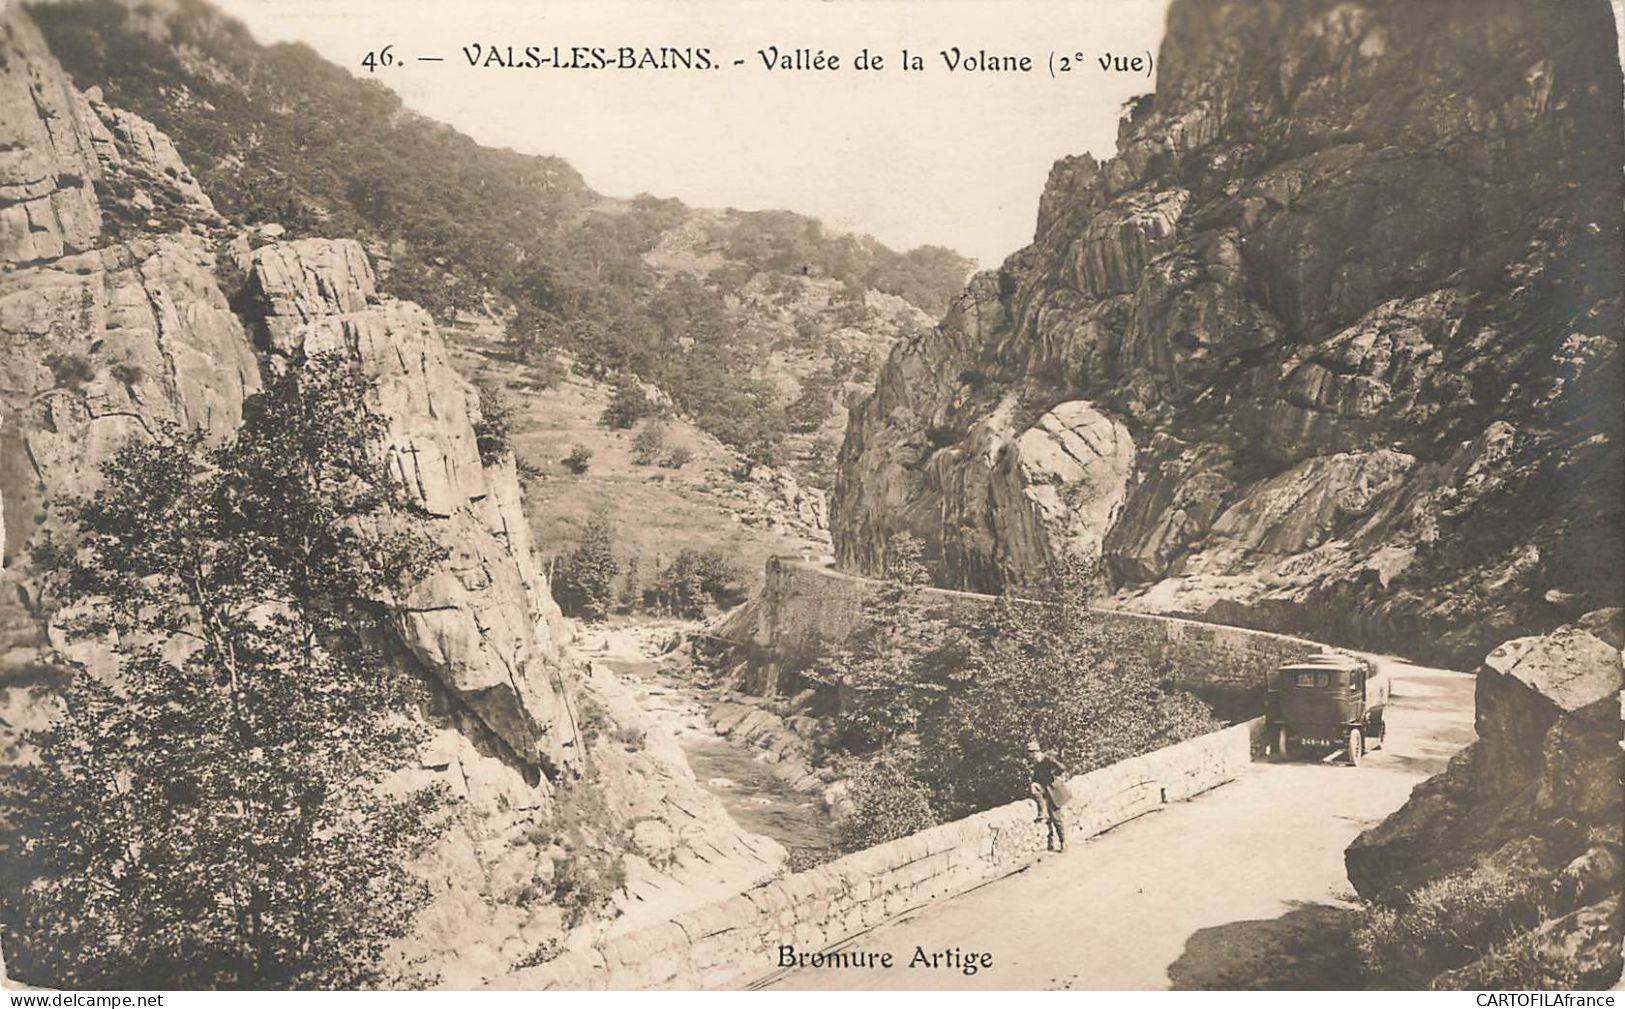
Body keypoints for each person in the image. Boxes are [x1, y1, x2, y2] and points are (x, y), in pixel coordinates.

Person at [1027, 740, 1070, 852]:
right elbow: (1036, 779)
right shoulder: (1037, 764)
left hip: (1053, 791)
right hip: (1045, 791)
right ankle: (1042, 811)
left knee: (1056, 818)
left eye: (1032, 754)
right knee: (1049, 819)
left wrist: (1053, 775)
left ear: (1037, 752)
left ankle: (1063, 842)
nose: (1032, 757)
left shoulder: (1047, 759)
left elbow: (1062, 768)